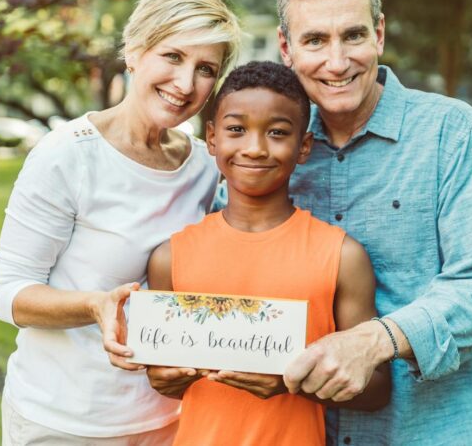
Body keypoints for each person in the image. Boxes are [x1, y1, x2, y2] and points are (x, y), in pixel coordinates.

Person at [277, 0, 472, 445]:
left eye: (354, 35)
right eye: (315, 40)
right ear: (286, 48)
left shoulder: (453, 132)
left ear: (379, 34)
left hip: (423, 432)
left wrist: (374, 341)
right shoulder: (272, 149)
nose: (337, 61)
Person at [0, 0, 241, 444]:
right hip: (64, 420)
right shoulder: (67, 156)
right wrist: (94, 305)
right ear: (134, 52)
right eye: (173, 56)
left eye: (206, 69)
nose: (185, 84)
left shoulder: (205, 166)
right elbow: (7, 292)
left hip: (170, 419)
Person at [144, 62, 391, 445]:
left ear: (303, 146)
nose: (255, 148)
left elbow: (377, 388)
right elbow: (167, 379)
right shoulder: (170, 258)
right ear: (212, 138)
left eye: (277, 133)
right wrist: (162, 377)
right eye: (236, 130)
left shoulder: (341, 256)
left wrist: (292, 383)